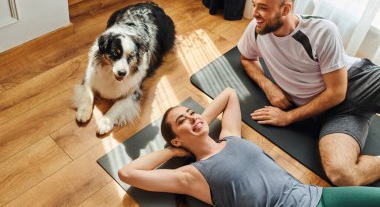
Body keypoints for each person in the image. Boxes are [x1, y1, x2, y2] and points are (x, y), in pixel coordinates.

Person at [118, 88, 380, 207]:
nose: (193, 117)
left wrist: (200, 122)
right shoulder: (191, 176)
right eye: (181, 121)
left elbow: (230, 94)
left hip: (318, 197)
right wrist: (173, 151)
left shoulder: (230, 136)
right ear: (175, 139)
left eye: (191, 112)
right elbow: (128, 173)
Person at [237, 0, 380, 186]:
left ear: (286, 9)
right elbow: (246, 58)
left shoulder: (322, 31)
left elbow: (337, 92)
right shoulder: (257, 29)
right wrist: (269, 86)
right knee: (342, 175)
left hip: (358, 81)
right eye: (254, 5)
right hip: (332, 112)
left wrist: (288, 117)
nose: (254, 14)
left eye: (263, 8)